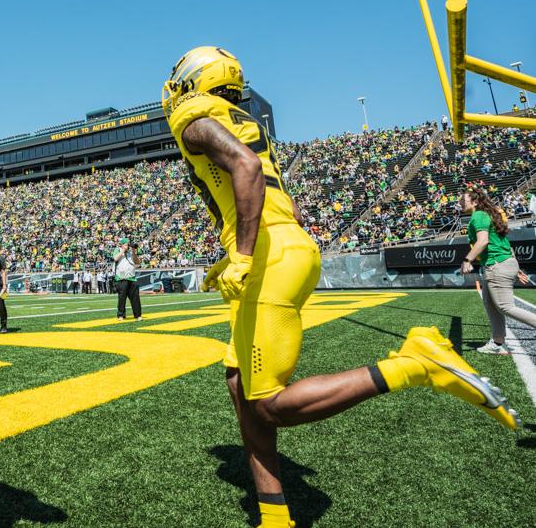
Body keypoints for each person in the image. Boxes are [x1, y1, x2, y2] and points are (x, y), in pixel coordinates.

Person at [162, 46, 519, 528]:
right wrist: (233, 251)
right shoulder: (240, 116)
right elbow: (271, 196)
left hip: (270, 258)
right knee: (240, 386)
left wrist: (244, 255)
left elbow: (245, 170)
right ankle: (274, 516)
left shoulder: (192, 113)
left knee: (268, 404)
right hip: (287, 245)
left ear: (190, 81)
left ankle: (414, 364)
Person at [460, 186, 536, 354]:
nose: (459, 204)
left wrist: (467, 260)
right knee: (490, 304)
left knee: (504, 306)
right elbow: (507, 246)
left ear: (474, 202)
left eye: (462, 201)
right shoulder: (489, 215)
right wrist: (515, 268)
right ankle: (497, 342)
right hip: (504, 262)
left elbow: (483, 241)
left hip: (496, 265)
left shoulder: (478, 215)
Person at [113, 237, 141, 320]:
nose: (128, 246)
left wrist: (134, 252)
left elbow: (137, 263)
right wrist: (122, 250)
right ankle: (121, 315)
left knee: (135, 298)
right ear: (121, 245)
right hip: (121, 278)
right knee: (122, 298)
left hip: (132, 277)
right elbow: (115, 258)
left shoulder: (130, 252)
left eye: (128, 244)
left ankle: (138, 315)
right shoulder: (117, 250)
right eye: (126, 244)